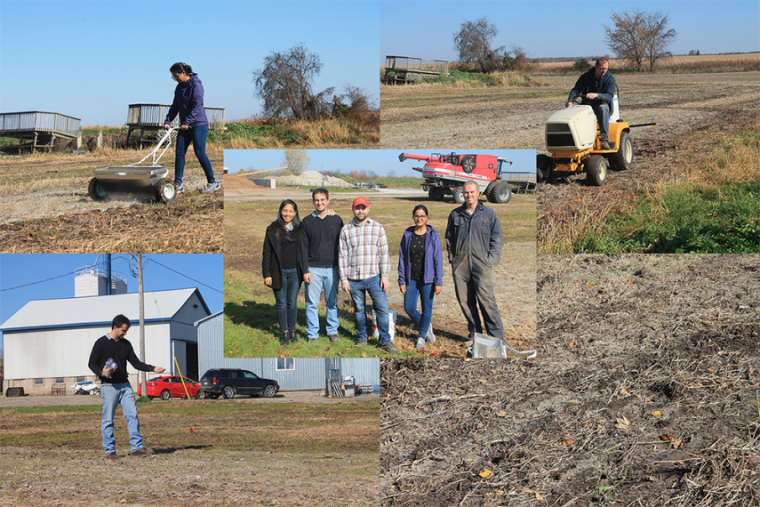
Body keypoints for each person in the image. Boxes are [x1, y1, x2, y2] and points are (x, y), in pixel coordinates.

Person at [88, 315, 166, 459]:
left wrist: (153, 368)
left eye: (127, 330)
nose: (125, 333)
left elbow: (136, 363)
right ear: (115, 327)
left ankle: (137, 448)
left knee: (132, 415)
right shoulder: (100, 343)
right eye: (124, 330)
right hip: (109, 386)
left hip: (125, 385)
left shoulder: (126, 344)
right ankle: (110, 450)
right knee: (108, 419)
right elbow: (91, 363)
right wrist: (101, 373)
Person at [445, 181, 504, 341]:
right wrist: (453, 258)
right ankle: (476, 335)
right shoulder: (455, 214)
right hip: (461, 265)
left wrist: (491, 261)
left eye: (472, 192)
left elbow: (497, 239)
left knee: (487, 301)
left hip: (482, 264)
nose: (469, 195)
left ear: (478, 193)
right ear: (462, 194)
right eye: (466, 193)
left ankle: (496, 338)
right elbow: (449, 238)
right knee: (465, 301)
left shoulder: (489, 214)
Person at [339, 197, 400, 354]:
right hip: (354, 278)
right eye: (357, 207)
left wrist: (385, 276)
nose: (360, 210)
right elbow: (342, 256)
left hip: (375, 278)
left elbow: (383, 254)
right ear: (353, 209)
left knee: (382, 310)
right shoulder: (346, 230)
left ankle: (385, 341)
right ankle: (362, 338)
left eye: (363, 207)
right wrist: (344, 279)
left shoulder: (378, 228)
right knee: (359, 310)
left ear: (368, 208)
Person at [163, 62, 219, 194]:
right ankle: (178, 184)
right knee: (179, 153)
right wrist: (168, 120)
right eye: (173, 77)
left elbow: (197, 106)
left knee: (200, 153)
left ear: (183, 73)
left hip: (198, 125)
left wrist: (187, 121)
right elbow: (175, 106)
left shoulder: (196, 85)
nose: (175, 79)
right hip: (185, 127)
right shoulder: (179, 88)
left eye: (176, 76)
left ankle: (213, 182)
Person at [299, 188, 343, 342]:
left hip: (332, 268)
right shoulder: (306, 222)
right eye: (317, 200)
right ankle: (312, 334)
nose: (319, 202)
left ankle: (332, 331)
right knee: (311, 303)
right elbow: (302, 248)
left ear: (328, 201)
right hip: (313, 269)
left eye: (322, 199)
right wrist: (305, 270)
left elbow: (343, 244)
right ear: (313, 201)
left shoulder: (336, 220)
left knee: (332, 302)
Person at [398, 205, 444, 349]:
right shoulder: (407, 234)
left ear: (427, 217)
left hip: (428, 279)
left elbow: (438, 258)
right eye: (417, 216)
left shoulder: (433, 235)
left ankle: (421, 336)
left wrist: (438, 281)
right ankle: (426, 326)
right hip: (411, 278)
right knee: (409, 308)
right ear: (413, 217)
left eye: (422, 216)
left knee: (427, 309)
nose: (419, 219)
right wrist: (402, 280)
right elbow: (402, 257)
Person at [263, 200, 304, 345]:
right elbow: (267, 253)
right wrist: (267, 274)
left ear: (295, 212)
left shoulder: (300, 228)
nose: (288, 214)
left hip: (295, 272)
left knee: (292, 303)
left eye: (291, 211)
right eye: (285, 210)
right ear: (280, 211)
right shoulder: (272, 229)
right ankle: (284, 333)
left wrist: (331, 213)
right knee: (281, 303)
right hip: (277, 272)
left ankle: (293, 332)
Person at [566, 57, 616, 150]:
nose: (604, 71)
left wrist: (597, 95)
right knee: (573, 110)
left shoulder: (610, 79)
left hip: (599, 105)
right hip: (586, 105)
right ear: (596, 66)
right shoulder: (585, 77)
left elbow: (609, 96)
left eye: (606, 69)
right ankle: (573, 139)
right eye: (602, 69)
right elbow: (576, 90)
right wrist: (570, 101)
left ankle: (604, 139)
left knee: (603, 108)